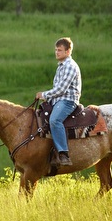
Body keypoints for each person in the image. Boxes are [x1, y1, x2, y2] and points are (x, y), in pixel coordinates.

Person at [35, 37, 82, 166]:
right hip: (58, 100)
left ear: (68, 51)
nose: (57, 52)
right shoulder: (61, 66)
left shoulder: (70, 66)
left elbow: (61, 89)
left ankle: (63, 153)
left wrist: (43, 95)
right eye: (56, 50)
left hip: (68, 101)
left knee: (55, 120)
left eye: (60, 50)